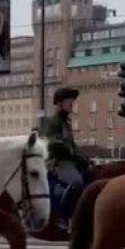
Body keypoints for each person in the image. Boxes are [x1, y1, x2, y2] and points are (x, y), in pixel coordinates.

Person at [44, 87, 89, 226]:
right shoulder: (53, 121)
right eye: (69, 102)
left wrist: (84, 157)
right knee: (76, 183)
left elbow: (72, 145)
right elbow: (52, 142)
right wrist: (70, 151)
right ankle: (62, 216)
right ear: (59, 104)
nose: (72, 104)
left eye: (72, 102)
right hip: (58, 162)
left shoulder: (66, 122)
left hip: (69, 160)